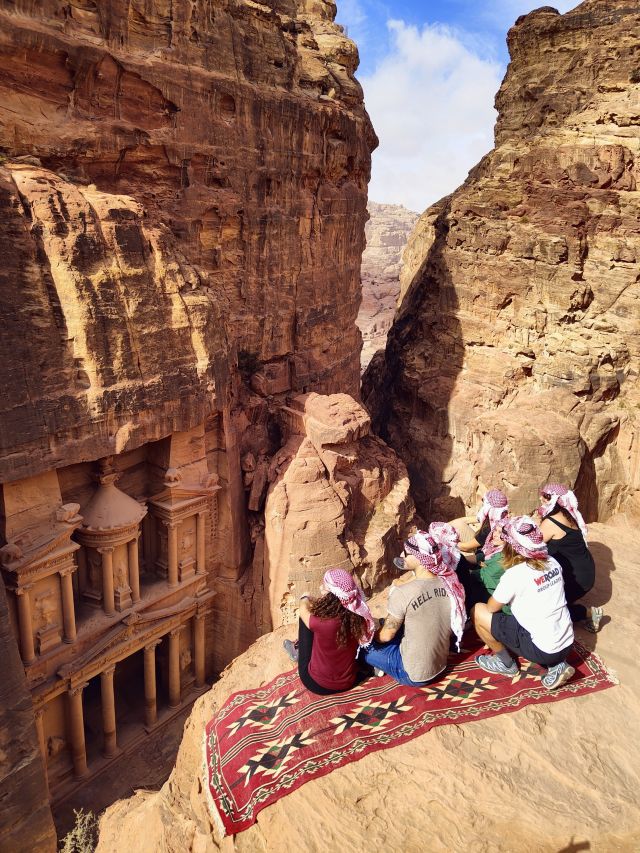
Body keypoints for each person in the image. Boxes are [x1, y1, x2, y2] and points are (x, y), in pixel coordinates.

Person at [473, 516, 575, 691]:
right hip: (567, 643)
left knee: (478, 611)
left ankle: (505, 664)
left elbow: (491, 607)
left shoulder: (515, 575)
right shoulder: (553, 562)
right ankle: (557, 665)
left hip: (544, 650)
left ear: (513, 546)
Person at [362, 531, 466, 686]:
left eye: (406, 553)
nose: (402, 556)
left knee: (364, 647)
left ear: (419, 558)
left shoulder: (403, 592)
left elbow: (385, 636)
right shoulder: (450, 583)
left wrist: (372, 639)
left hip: (412, 674)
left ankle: (375, 667)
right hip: (441, 664)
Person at [283, 568, 375, 695]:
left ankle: (297, 650)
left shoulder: (323, 622)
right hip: (348, 682)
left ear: (332, 595)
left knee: (305, 621)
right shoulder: (359, 614)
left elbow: (303, 610)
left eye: (325, 587)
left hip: (317, 684)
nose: (321, 587)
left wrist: (305, 597)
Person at [536, 483, 602, 631]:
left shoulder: (551, 522)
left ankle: (589, 613)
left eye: (546, 496)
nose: (541, 498)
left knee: (544, 610)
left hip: (577, 578)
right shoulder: (568, 514)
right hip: (583, 571)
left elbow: (532, 546)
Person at [458, 488, 510, 565]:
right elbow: (467, 520)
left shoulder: (490, 529)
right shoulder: (501, 518)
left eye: (484, 503)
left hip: (481, 556)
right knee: (459, 524)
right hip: (482, 552)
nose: (482, 505)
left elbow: (465, 547)